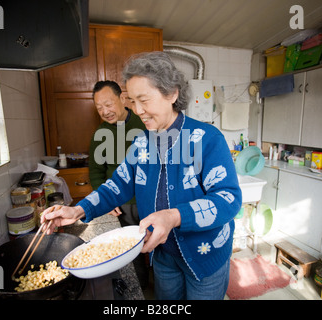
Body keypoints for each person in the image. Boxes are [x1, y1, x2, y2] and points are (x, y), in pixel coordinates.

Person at [42, 51, 242, 300]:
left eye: (143, 100)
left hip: (205, 256)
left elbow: (228, 199)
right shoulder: (142, 144)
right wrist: (77, 211)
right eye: (132, 101)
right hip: (164, 256)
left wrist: (174, 216)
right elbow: (117, 185)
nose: (137, 110)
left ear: (172, 94)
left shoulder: (207, 139)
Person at [88, 80, 148, 287]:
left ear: (122, 98)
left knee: (160, 246)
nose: (105, 111)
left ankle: (162, 289)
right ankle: (138, 289)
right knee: (130, 251)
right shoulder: (99, 134)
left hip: (150, 199)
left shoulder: (145, 123)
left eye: (108, 104)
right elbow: (96, 172)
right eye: (99, 108)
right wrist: (105, 200)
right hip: (122, 204)